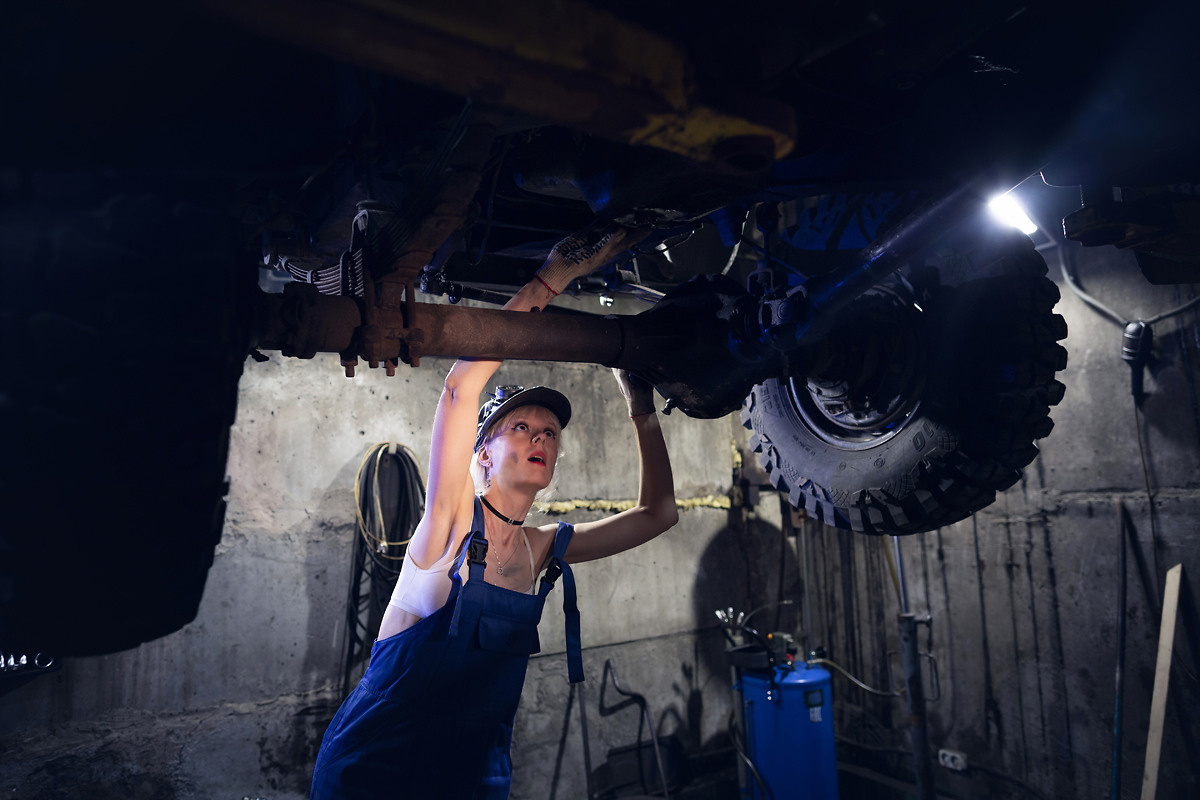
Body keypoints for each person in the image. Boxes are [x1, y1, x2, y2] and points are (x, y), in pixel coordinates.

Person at [310, 222, 678, 799]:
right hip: (379, 771)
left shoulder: (539, 550)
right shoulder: (451, 524)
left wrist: (640, 406)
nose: (541, 437)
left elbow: (658, 514)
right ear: (482, 453)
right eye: (522, 427)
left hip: (473, 775)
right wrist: (553, 277)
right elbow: (461, 389)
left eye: (549, 433)